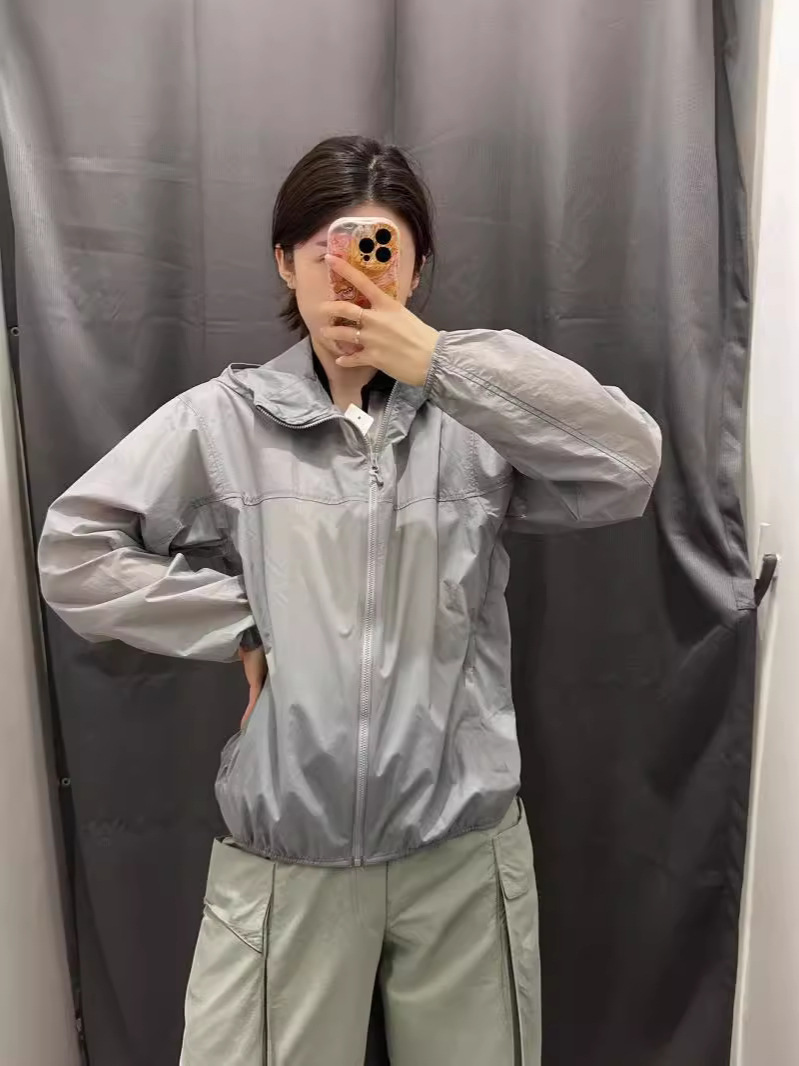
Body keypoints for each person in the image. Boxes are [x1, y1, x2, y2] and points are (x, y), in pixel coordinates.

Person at [38, 135, 662, 1066]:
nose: (352, 275)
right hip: (291, 862)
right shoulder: (226, 422)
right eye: (326, 248)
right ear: (284, 262)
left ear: (414, 267)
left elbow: (627, 464)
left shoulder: (473, 421)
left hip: (459, 856)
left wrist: (439, 361)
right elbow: (76, 550)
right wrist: (240, 625)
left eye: (379, 248)